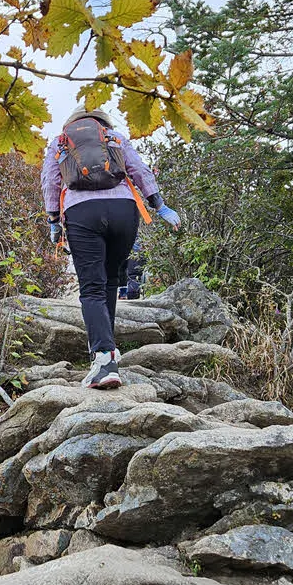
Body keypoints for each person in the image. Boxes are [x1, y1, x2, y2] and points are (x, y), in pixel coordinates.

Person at [41, 106, 180, 389]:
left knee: (91, 287)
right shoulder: (114, 137)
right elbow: (138, 170)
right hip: (123, 211)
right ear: (101, 122)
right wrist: (159, 205)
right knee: (111, 280)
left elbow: (50, 182)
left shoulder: (60, 141)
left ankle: (104, 359)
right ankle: (108, 350)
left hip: (82, 212)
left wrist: (53, 220)